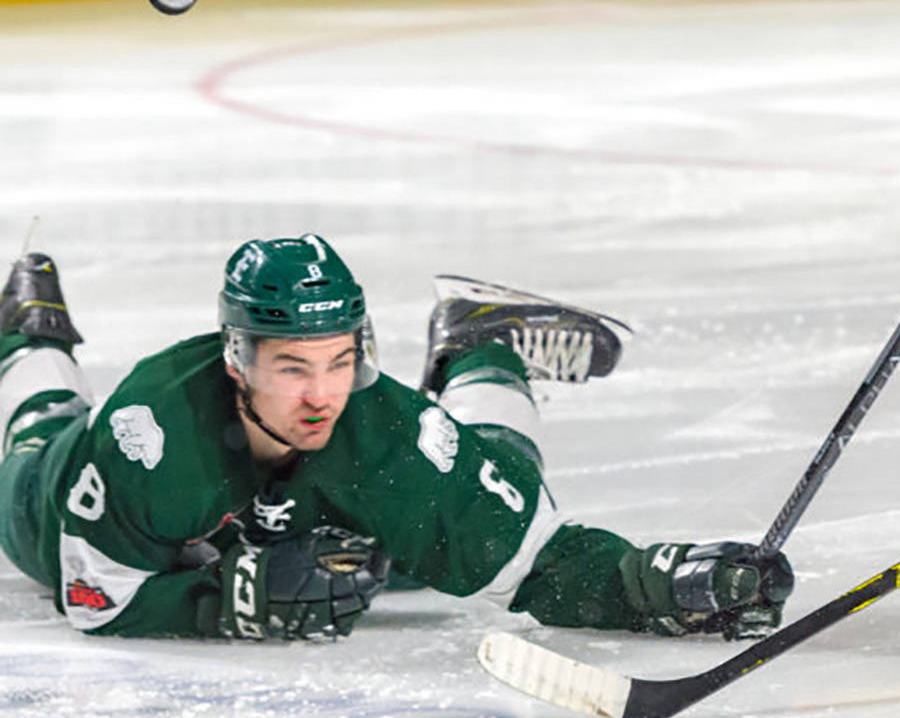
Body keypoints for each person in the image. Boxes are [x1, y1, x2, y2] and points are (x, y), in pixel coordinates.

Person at [0, 236, 793, 641]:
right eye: (293, 367)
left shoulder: (382, 431)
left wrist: (653, 585)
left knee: (489, 479)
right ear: (237, 360)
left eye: (341, 360)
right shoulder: (153, 433)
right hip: (68, 505)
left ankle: (479, 342)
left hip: (299, 516)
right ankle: (28, 332)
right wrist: (233, 604)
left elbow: (538, 563)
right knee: (32, 454)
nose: (322, 394)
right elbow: (98, 598)